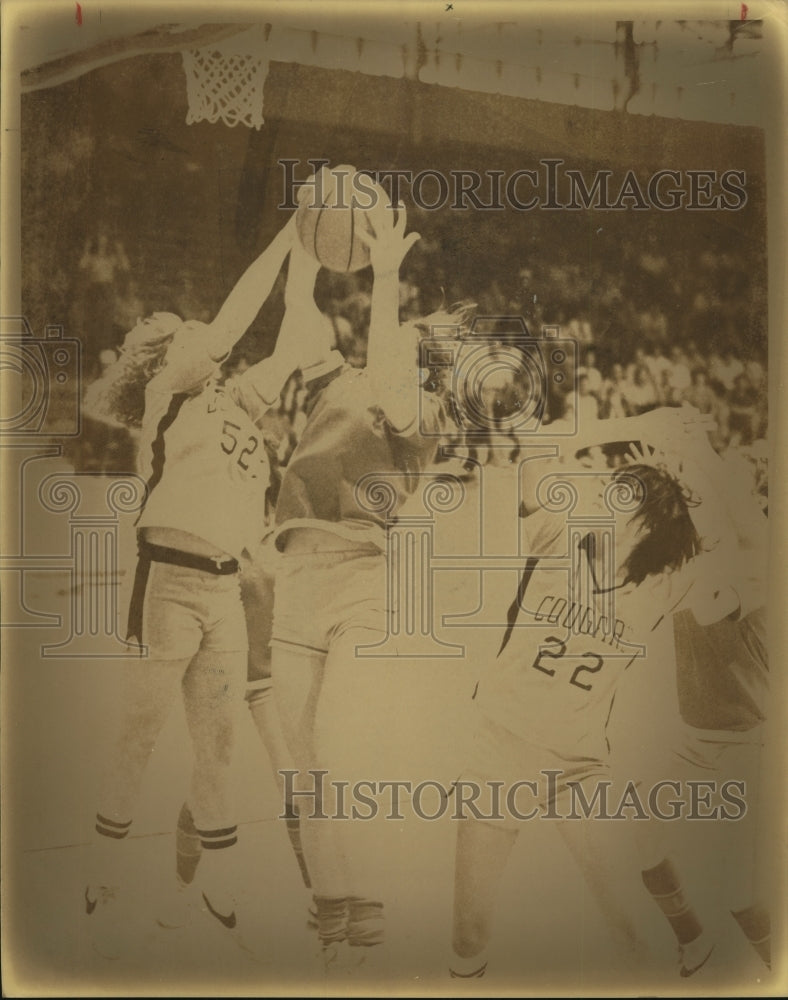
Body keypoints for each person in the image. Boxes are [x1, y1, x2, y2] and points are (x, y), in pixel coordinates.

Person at [81, 213, 324, 959]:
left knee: (216, 750)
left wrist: (311, 255)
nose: (202, 334)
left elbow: (294, 342)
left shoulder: (236, 397)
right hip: (171, 579)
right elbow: (238, 315)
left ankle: (218, 888)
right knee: (139, 733)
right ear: (165, 357)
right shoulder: (170, 393)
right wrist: (290, 231)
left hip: (225, 588)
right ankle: (102, 867)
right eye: (185, 331)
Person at [448, 407, 746, 981]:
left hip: (579, 768)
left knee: (629, 930)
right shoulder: (564, 531)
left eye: (620, 494)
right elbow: (535, 450)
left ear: (647, 521)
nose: (604, 496)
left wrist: (692, 453)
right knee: (468, 937)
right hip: (497, 748)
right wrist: (629, 425)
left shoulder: (664, 582)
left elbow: (725, 544)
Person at [268, 193, 469, 970]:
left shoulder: (418, 409)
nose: (412, 335)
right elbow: (297, 307)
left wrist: (386, 275)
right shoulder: (331, 377)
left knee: (335, 748)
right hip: (296, 578)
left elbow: (387, 364)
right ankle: (334, 919)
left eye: (421, 333)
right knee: (304, 770)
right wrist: (303, 237)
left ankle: (372, 910)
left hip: (363, 583)